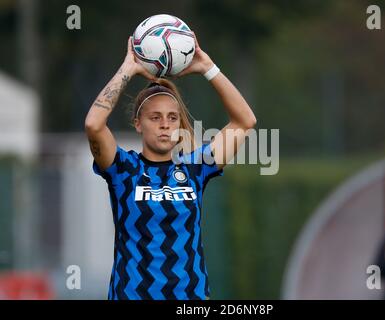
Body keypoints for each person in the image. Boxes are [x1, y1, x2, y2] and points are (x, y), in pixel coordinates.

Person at [84, 34, 257, 300]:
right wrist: (128, 69)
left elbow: (244, 121)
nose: (165, 124)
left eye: (172, 117)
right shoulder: (123, 169)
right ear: (138, 124)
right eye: (155, 117)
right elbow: (94, 125)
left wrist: (208, 68)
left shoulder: (196, 168)